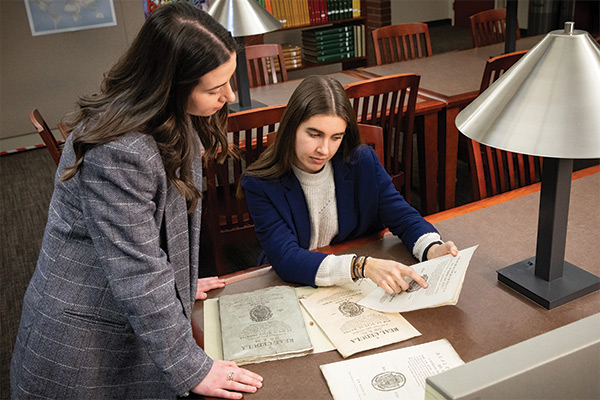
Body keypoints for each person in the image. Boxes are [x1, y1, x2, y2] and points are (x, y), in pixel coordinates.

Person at [11, 3, 262, 399]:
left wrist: (178, 281)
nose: (229, 96)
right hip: (87, 334)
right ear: (170, 83)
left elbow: (153, 230)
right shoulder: (120, 149)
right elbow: (137, 271)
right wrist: (191, 367)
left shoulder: (170, 117)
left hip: (123, 305)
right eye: (215, 89)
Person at [241, 75, 458, 294]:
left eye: (336, 137)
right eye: (314, 135)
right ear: (291, 128)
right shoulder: (260, 184)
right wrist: (361, 266)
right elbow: (287, 259)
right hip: (294, 284)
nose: (324, 150)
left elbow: (402, 216)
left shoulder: (362, 160)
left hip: (352, 284)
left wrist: (432, 248)